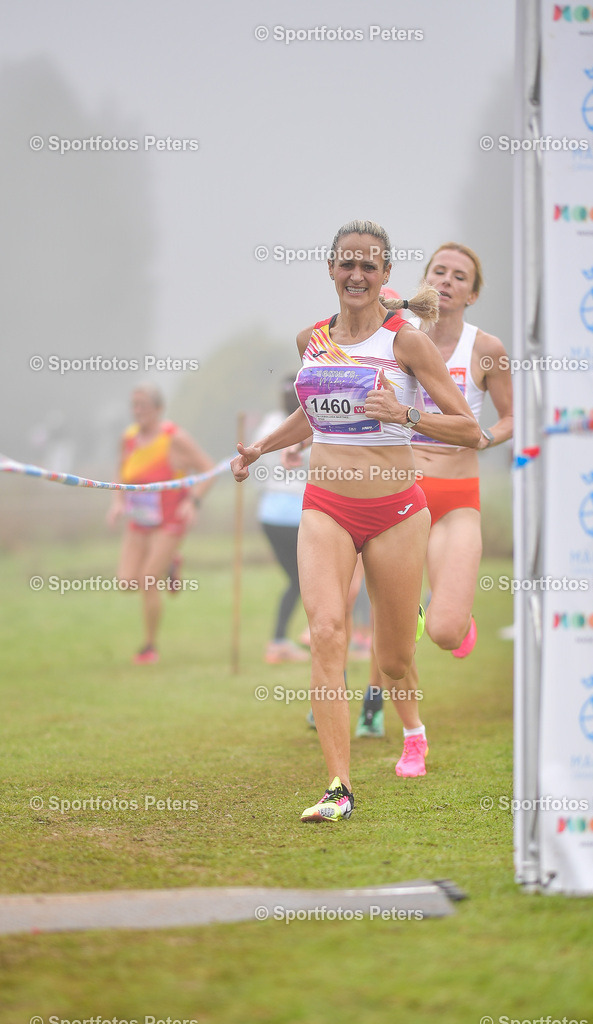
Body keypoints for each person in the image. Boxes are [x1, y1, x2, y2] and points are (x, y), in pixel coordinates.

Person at [231, 220, 487, 823]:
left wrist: (405, 415)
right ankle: (339, 787)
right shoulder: (312, 340)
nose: (356, 274)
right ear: (330, 268)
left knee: (393, 659)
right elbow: (312, 412)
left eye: (369, 265)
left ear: (385, 274)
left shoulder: (407, 343)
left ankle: (413, 728)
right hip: (326, 505)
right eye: (347, 263)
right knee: (326, 632)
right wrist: (262, 448)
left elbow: (468, 429)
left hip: (396, 512)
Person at [356, 241, 513, 736]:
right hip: (402, 492)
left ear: (472, 294)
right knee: (389, 614)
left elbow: (511, 417)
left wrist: (486, 436)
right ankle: (376, 705)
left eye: (459, 276)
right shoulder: (398, 336)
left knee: (444, 631)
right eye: (439, 271)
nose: (446, 281)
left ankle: (451, 616)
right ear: (425, 281)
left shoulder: (486, 349)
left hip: (456, 497)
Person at [107, 384, 215, 664]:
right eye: (134, 405)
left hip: (170, 520)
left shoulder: (174, 438)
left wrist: (193, 501)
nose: (137, 411)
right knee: (126, 582)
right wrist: (117, 502)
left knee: (148, 580)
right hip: (139, 519)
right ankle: (171, 563)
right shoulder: (128, 438)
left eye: (143, 405)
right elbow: (121, 472)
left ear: (158, 408)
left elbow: (209, 469)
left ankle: (149, 647)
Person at [254, 375, 311, 664]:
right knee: (308, 579)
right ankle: (303, 636)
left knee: (298, 580)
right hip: (300, 514)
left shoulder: (268, 423)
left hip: (269, 514)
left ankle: (280, 641)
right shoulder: (311, 422)